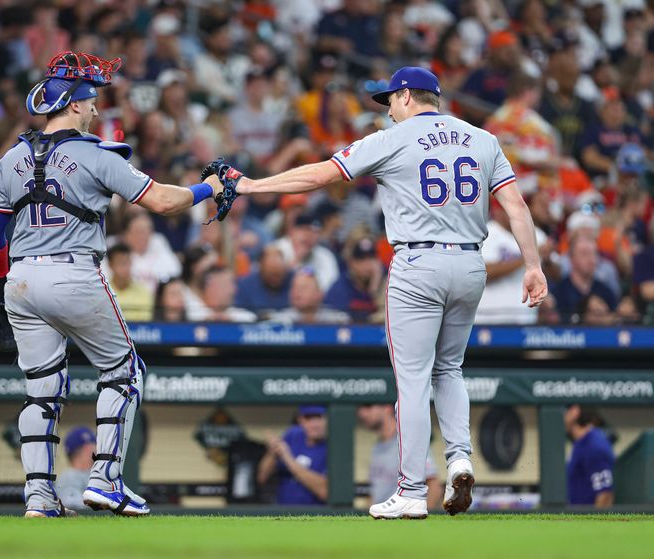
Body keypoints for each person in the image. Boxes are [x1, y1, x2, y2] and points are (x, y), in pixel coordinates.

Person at [212, 67, 547, 519]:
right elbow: (516, 205)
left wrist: (252, 185)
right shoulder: (482, 138)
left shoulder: (394, 137)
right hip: (471, 263)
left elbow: (320, 176)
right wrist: (533, 265)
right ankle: (460, 457)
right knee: (449, 368)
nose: (387, 108)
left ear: (408, 96)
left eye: (389, 99)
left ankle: (411, 490)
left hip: (418, 263)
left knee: (412, 379)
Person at [0, 51, 224, 517]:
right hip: (72, 272)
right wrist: (208, 188)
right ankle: (105, 479)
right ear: (72, 105)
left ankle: (38, 496)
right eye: (91, 102)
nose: (96, 110)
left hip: (20, 279)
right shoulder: (92, 154)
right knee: (124, 371)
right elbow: (164, 202)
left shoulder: (9, 158)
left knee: (41, 389)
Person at [357, 403, 442, 509]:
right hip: (381, 519)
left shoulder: (408, 442)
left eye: (368, 407)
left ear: (387, 408)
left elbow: (433, 486)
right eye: (361, 408)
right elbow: (375, 493)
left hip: (402, 519)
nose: (361, 413)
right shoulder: (377, 447)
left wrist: (421, 521)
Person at [257, 405, 328, 506]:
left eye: (318, 418)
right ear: (300, 420)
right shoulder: (293, 435)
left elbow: (324, 492)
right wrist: (272, 452)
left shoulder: (332, 445)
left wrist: (288, 458)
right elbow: (262, 477)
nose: (314, 424)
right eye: (308, 418)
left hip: (316, 516)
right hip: (284, 513)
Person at [565, 405, 615, 508]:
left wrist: (593, 524)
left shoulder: (594, 445)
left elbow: (605, 495)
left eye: (565, 412)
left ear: (574, 412)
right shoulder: (580, 443)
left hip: (588, 521)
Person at [324, 236, 383, 322]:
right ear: (352, 263)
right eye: (361, 259)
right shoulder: (340, 287)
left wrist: (375, 286)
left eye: (371, 258)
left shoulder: (385, 280)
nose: (368, 265)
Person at [270, 267, 349, 325]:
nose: (297, 292)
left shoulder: (337, 321)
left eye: (303, 287)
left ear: (319, 294)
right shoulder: (279, 321)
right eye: (294, 287)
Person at [235, 244, 292, 318]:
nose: (274, 278)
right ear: (261, 267)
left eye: (278, 274)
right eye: (270, 271)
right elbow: (237, 313)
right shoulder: (245, 285)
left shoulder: (294, 282)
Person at [106, 242, 154, 322]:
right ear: (110, 265)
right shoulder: (103, 292)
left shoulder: (144, 292)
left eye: (128, 262)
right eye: (121, 263)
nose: (125, 267)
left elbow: (145, 323)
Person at [55, 427, 97, 511]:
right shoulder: (69, 476)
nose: (95, 450)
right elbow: (70, 503)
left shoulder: (95, 474)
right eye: (89, 447)